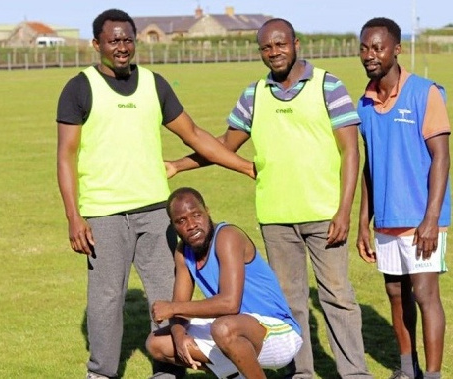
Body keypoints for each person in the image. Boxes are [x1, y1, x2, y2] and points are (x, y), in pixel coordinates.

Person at [166, 18, 373, 379]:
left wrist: (344, 211)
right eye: (266, 47)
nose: (274, 52)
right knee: (291, 304)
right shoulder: (254, 94)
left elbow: (351, 152)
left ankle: (355, 374)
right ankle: (302, 373)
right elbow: (223, 146)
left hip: (325, 214)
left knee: (338, 297)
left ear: (295, 43)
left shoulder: (329, 85)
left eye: (280, 44)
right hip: (276, 218)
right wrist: (178, 166)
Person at [56, 9, 254, 379]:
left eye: (127, 39)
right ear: (96, 44)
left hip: (155, 212)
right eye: (113, 40)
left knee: (167, 294)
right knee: (106, 299)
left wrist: (244, 166)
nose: (121, 46)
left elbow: (193, 134)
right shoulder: (79, 88)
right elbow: (65, 156)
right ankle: (101, 372)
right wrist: (73, 216)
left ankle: (167, 370)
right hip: (104, 212)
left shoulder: (154, 84)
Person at [355, 17, 452, 379]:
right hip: (386, 219)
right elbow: (369, 165)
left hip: (422, 218)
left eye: (378, 47)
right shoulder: (363, 103)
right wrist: (363, 221)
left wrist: (431, 218)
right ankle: (407, 369)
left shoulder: (425, 92)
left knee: (426, 295)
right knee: (396, 294)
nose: (370, 55)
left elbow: (441, 157)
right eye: (364, 47)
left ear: (397, 49)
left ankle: (433, 374)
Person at [145, 187, 303, 379]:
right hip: (233, 327)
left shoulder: (227, 236)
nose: (192, 225)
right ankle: (237, 374)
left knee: (223, 328)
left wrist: (172, 308)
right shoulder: (183, 252)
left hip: (278, 333)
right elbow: (179, 310)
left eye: (196, 215)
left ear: (207, 211)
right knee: (156, 343)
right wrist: (179, 336)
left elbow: (229, 303)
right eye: (181, 221)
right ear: (173, 225)